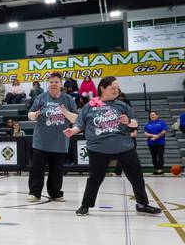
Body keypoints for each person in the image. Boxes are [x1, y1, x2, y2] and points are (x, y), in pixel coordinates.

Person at [64, 76, 160, 216]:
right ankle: (85, 205)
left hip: (124, 147)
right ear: (102, 88)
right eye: (113, 87)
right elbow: (80, 124)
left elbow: (135, 124)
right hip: (98, 148)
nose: (116, 90)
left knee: (136, 176)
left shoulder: (123, 105)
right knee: (95, 179)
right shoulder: (89, 106)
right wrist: (72, 131)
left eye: (117, 88)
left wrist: (128, 121)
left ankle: (142, 204)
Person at [26, 72, 78, 202]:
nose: (53, 84)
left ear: (61, 84)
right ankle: (34, 193)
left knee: (57, 170)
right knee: (37, 169)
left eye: (56, 82)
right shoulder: (41, 98)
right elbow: (30, 114)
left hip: (60, 141)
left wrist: (65, 112)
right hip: (41, 141)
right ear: (48, 84)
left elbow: (76, 119)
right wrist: (34, 115)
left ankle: (55, 193)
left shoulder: (68, 99)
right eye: (51, 82)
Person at [144, 111, 168, 175]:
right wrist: (152, 135)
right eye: (151, 115)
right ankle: (156, 169)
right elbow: (145, 133)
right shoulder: (147, 124)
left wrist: (157, 136)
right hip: (151, 143)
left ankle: (160, 169)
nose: (152, 116)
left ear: (157, 115)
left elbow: (164, 131)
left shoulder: (162, 122)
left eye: (153, 115)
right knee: (153, 157)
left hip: (160, 143)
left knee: (160, 156)